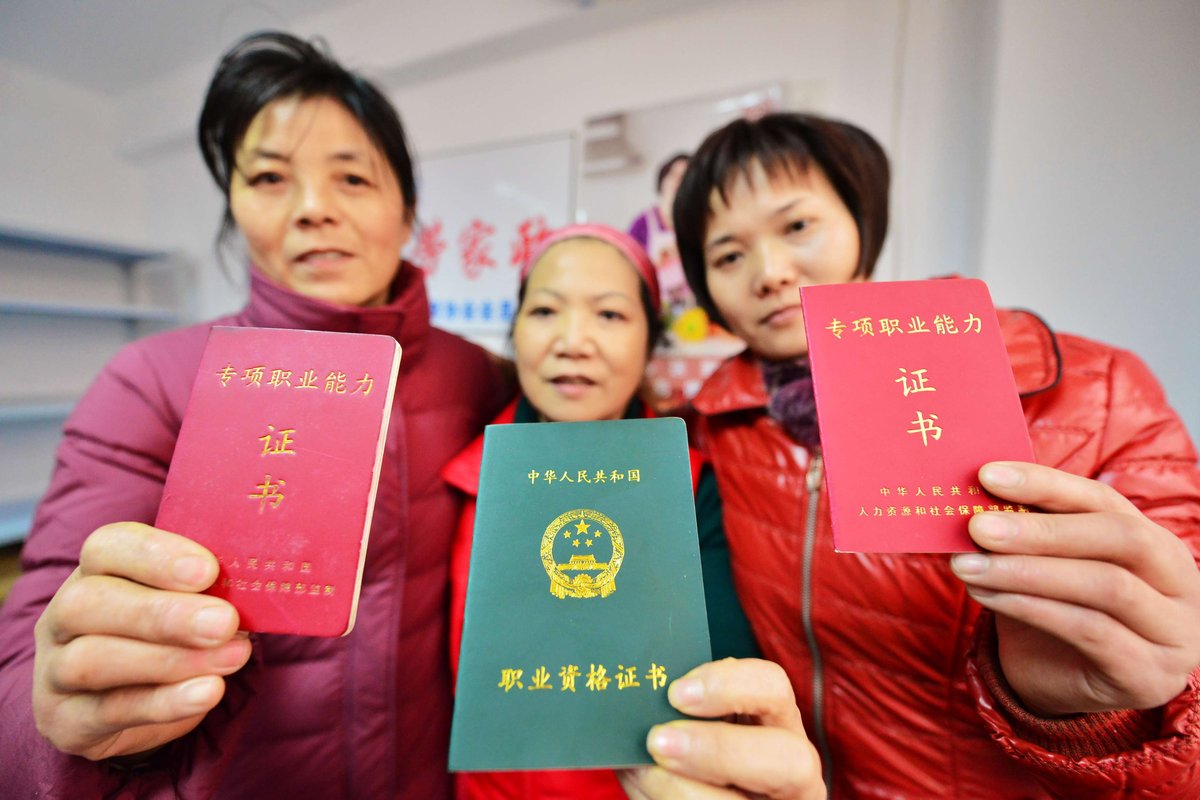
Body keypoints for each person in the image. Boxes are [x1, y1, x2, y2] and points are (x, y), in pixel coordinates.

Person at [620, 112, 1200, 798]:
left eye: (797, 226)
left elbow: (1178, 701)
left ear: (861, 216)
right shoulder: (708, 432)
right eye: (728, 256)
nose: (770, 273)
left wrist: (1087, 715)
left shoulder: (1093, 395)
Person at [0, 32, 511, 798]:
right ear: (233, 208)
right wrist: (65, 715)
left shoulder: (477, 374)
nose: (313, 210)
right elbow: (25, 685)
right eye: (270, 177)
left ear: (407, 211)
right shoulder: (151, 384)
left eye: (352, 178)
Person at [442, 223, 759, 799]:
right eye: (544, 312)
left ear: (649, 340)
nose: (573, 341)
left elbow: (725, 687)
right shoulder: (463, 476)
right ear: (514, 331)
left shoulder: (694, 488)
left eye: (609, 315)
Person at [628, 153, 694, 320]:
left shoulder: (696, 224)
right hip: (654, 311)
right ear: (663, 180)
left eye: (685, 176)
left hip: (691, 312)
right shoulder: (643, 223)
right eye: (674, 175)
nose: (678, 181)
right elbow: (628, 267)